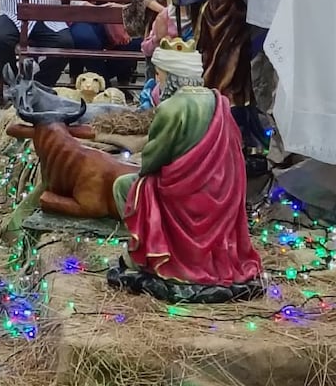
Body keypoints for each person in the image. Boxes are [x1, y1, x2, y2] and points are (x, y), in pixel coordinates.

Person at [110, 39, 263, 288]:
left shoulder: (172, 108)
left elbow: (153, 159)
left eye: (159, 75)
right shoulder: (219, 101)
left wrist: (145, 165)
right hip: (223, 194)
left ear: (170, 76)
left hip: (185, 196)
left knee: (126, 186)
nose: (157, 81)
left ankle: (150, 256)